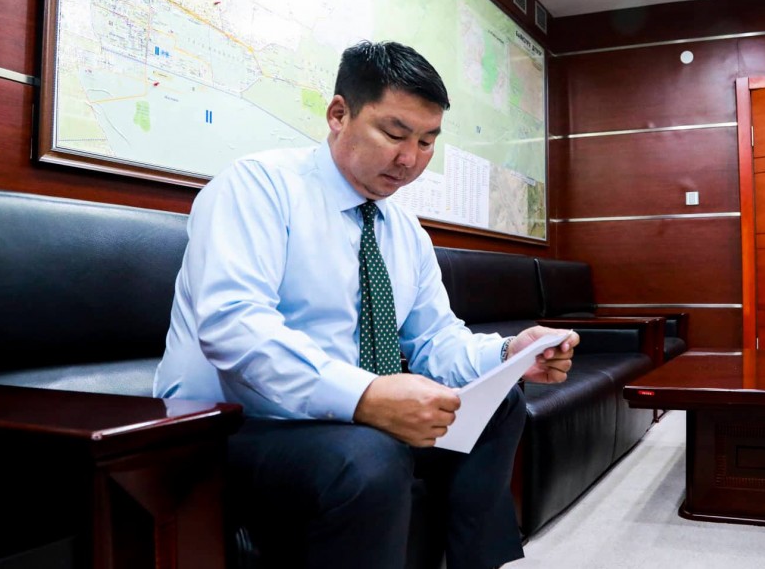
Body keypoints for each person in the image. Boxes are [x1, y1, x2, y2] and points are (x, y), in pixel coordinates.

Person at [154, 40, 578, 569]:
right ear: (339, 114)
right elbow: (234, 326)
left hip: (347, 414)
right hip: (230, 424)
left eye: (427, 141)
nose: (410, 159)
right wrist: (366, 396)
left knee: (501, 405)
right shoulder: (259, 186)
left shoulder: (404, 229)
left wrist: (509, 355)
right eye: (395, 134)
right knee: (369, 457)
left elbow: (434, 339)